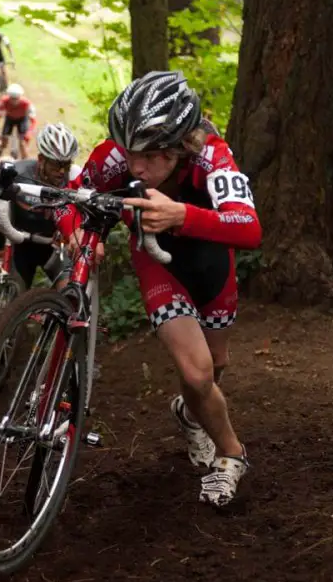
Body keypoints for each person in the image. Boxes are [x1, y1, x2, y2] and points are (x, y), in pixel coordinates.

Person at [56, 71, 262, 507]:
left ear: (178, 146)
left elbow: (249, 228)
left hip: (210, 264)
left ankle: (190, 414)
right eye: (129, 152)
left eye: (149, 156)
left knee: (214, 368)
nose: (135, 166)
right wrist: (75, 231)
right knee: (196, 371)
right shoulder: (114, 156)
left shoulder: (212, 155)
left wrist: (182, 216)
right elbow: (71, 201)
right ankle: (231, 455)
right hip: (156, 264)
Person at [0, 122, 80, 290]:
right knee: (10, 299)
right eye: (56, 164)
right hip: (19, 245)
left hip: (54, 246)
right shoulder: (18, 172)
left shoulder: (74, 178)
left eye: (66, 164)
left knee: (69, 292)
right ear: (41, 159)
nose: (62, 171)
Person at [0, 83, 37, 160]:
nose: (14, 101)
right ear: (9, 97)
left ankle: (25, 160)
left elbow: (33, 121)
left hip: (22, 119)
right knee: (4, 140)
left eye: (16, 99)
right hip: (10, 119)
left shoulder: (27, 104)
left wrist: (29, 133)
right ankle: (0, 151)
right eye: (12, 98)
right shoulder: (3, 101)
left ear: (20, 97)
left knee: (22, 144)